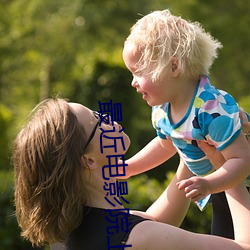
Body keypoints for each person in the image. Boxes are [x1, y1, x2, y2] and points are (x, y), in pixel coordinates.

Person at [13, 98, 250, 250]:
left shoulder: (70, 234)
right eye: (98, 121)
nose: (108, 118)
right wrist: (226, 166)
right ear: (88, 160)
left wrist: (189, 139)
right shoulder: (138, 237)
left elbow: (157, 221)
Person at [122, 9, 250, 238]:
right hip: (221, 188)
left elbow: (242, 160)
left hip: (240, 184)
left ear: (173, 67)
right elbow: (165, 145)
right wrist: (131, 167)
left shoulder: (211, 109)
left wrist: (209, 184)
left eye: (138, 72)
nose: (133, 82)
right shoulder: (162, 110)